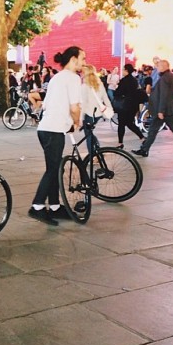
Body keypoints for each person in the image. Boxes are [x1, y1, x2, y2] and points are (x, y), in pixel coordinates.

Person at [29, 46, 85, 226]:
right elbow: (74, 106)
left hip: (46, 128)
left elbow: (47, 103)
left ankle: (54, 206)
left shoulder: (57, 77)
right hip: (54, 129)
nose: (84, 62)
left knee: (53, 168)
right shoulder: (73, 78)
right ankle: (37, 207)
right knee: (53, 169)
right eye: (82, 58)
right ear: (74, 59)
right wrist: (76, 122)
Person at [132, 59, 173, 159]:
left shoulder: (165, 78)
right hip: (168, 109)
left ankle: (144, 149)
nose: (157, 67)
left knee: (156, 130)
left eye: (159, 66)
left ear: (164, 67)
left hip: (164, 110)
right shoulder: (171, 76)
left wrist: (161, 110)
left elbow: (164, 95)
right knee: (171, 130)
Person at [81, 64, 113, 153]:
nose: (81, 74)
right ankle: (97, 150)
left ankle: (92, 156)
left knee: (88, 135)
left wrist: (80, 118)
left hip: (89, 114)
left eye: (82, 72)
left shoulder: (84, 86)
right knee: (90, 133)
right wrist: (110, 109)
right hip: (98, 114)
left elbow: (83, 104)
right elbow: (105, 98)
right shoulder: (99, 84)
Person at [113, 64, 146, 149]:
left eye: (123, 70)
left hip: (124, 105)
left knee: (121, 124)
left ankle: (120, 143)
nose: (122, 71)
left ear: (126, 70)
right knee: (129, 123)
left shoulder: (124, 80)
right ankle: (142, 138)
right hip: (133, 105)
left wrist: (116, 88)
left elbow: (118, 93)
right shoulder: (134, 80)